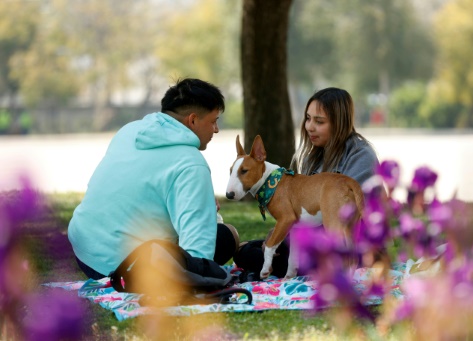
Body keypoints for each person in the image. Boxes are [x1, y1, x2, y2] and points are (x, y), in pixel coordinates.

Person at [68, 78, 239, 281]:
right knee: (228, 236)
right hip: (124, 270)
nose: (216, 130)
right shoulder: (191, 164)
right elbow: (197, 254)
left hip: (84, 251)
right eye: (213, 121)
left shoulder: (130, 131)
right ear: (192, 120)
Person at [234, 87, 379, 279]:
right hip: (315, 238)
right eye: (308, 118)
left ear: (339, 123)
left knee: (254, 254)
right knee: (247, 250)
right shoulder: (313, 156)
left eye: (319, 122)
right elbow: (305, 210)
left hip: (350, 242)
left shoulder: (361, 155)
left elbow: (347, 217)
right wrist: (283, 230)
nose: (310, 127)